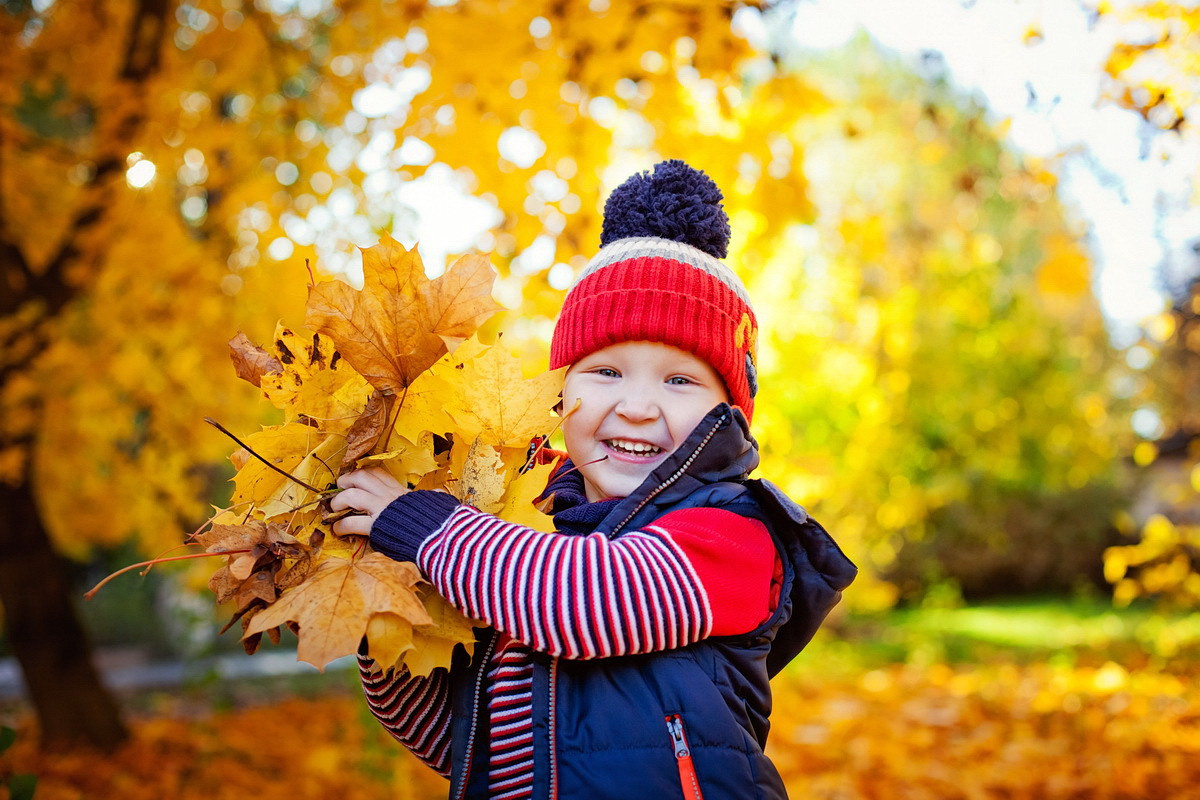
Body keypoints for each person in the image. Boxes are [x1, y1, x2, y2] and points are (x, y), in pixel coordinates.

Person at [330, 160, 857, 800]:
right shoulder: (517, 537)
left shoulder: (733, 533)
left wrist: (420, 529)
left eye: (680, 380)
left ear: (730, 410)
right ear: (560, 393)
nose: (637, 405)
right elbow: (461, 742)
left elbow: (585, 601)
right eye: (605, 372)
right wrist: (387, 614)